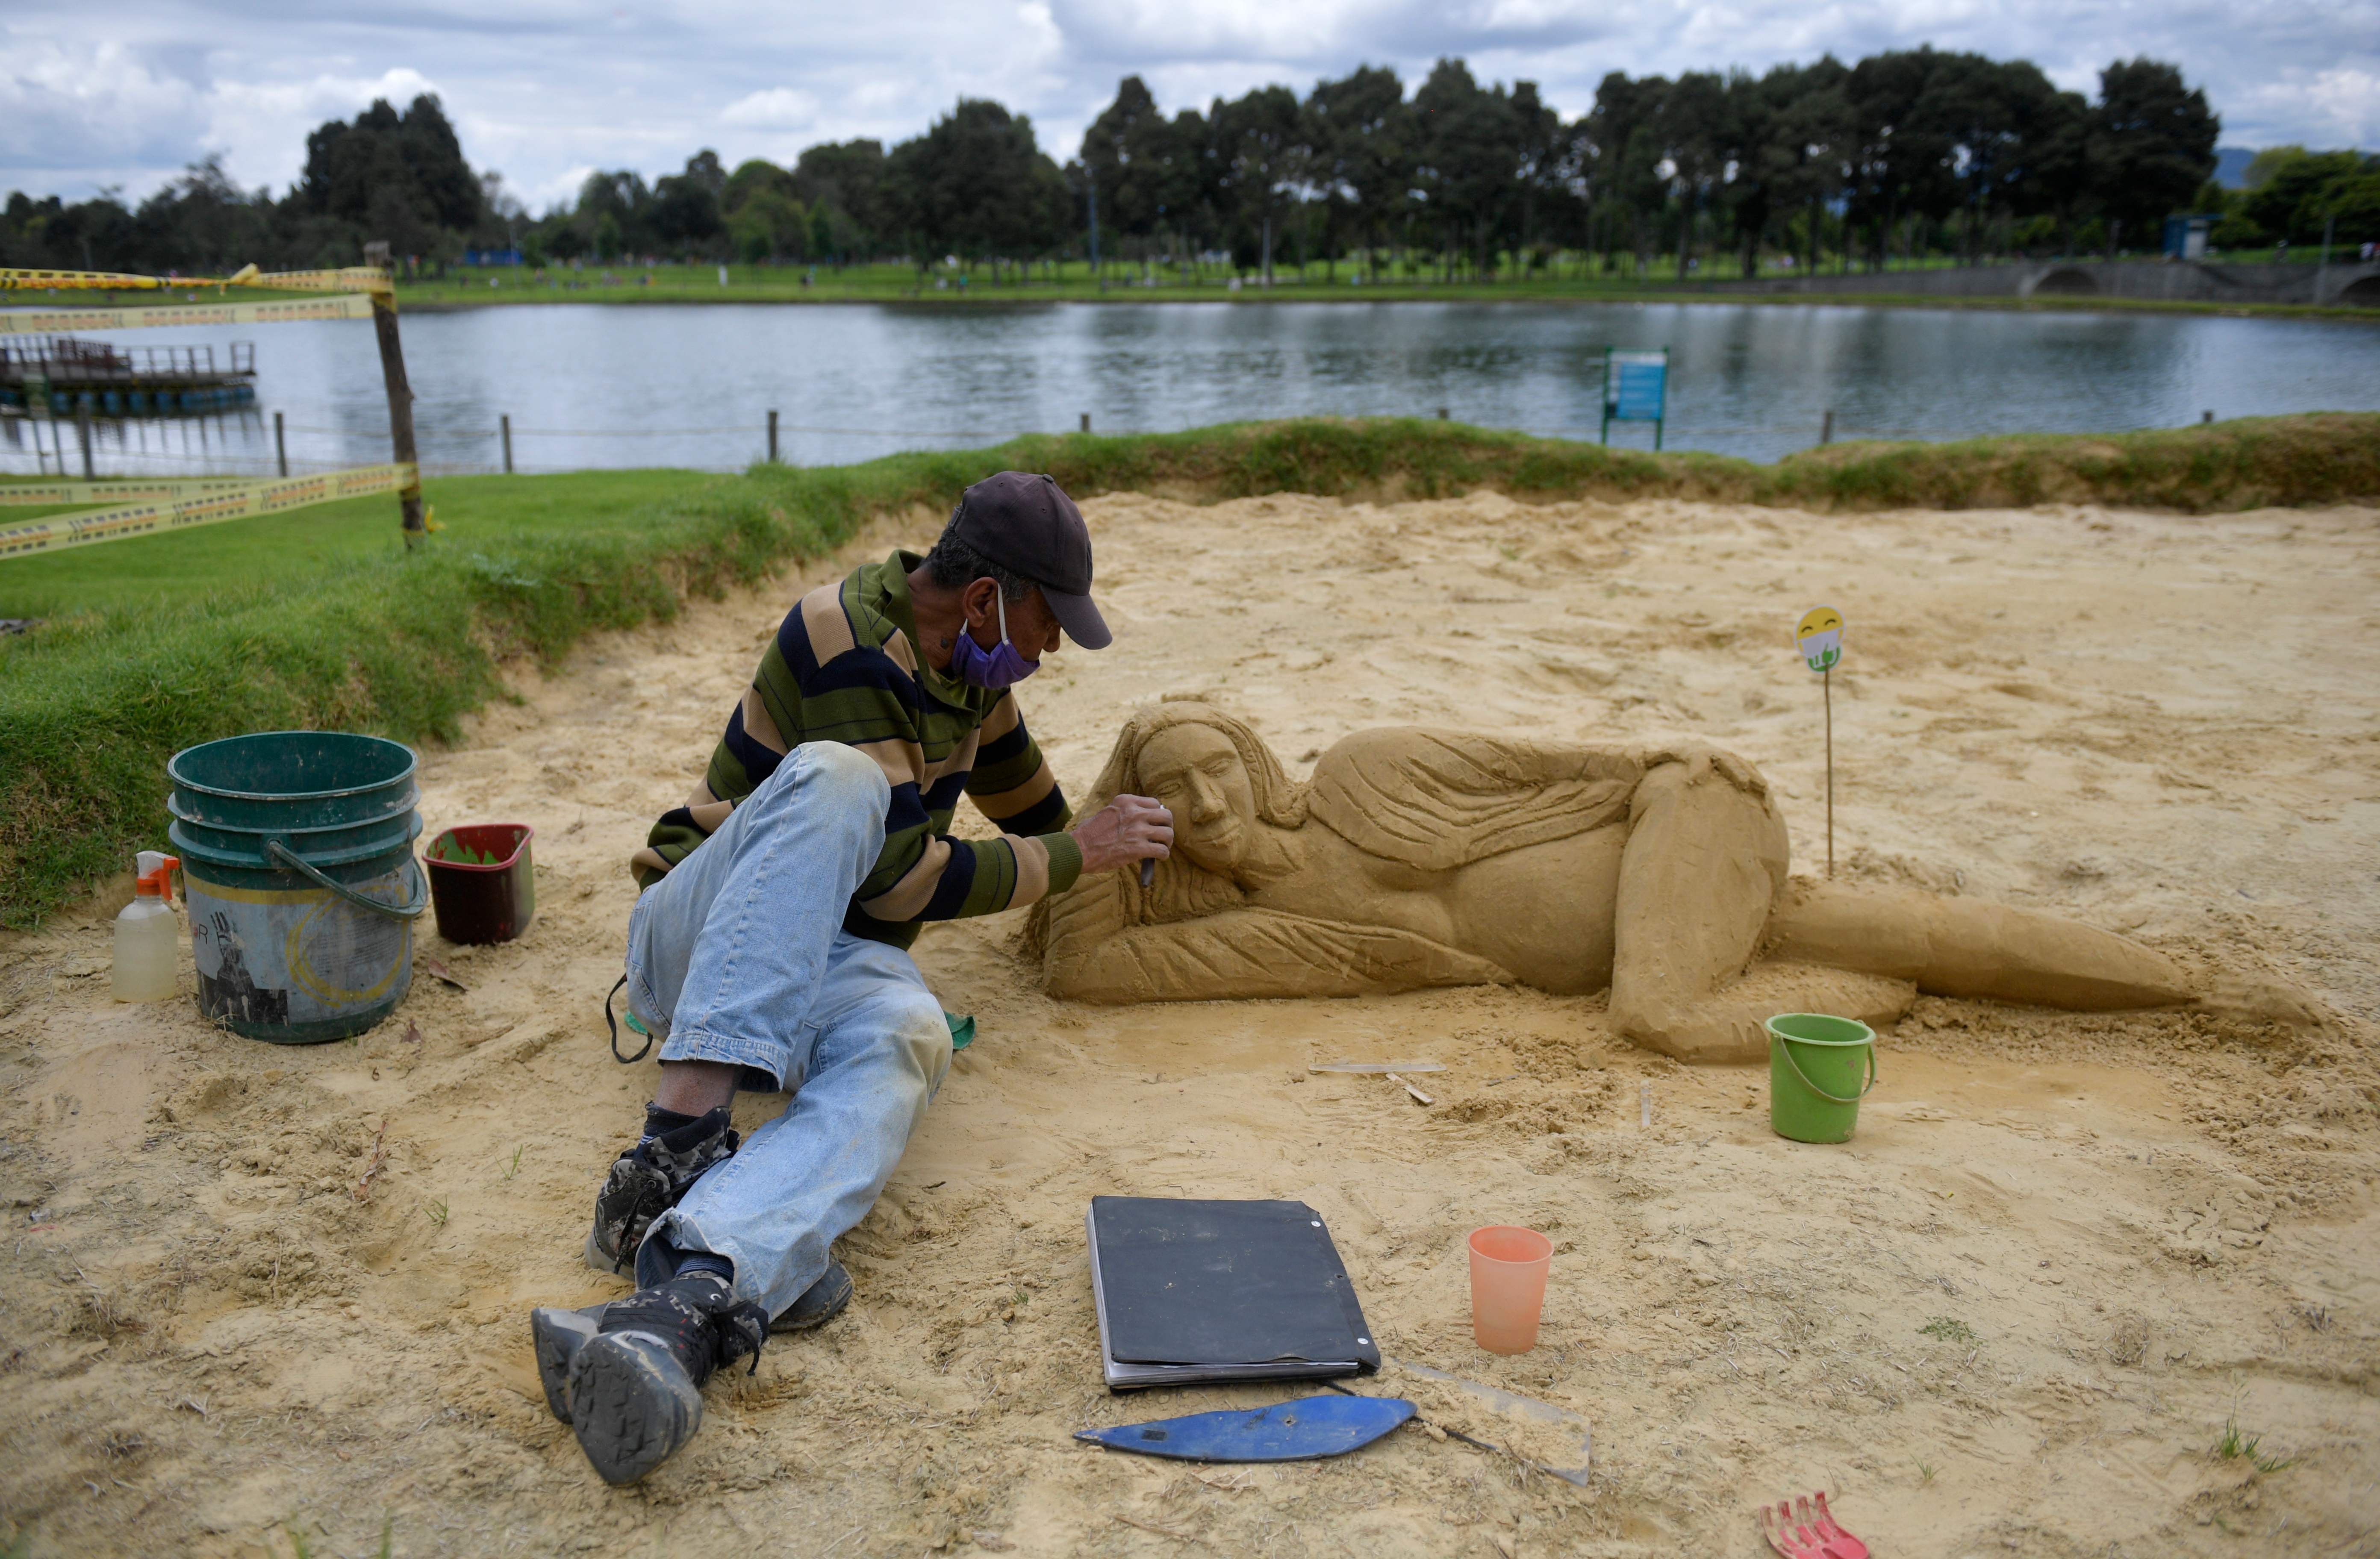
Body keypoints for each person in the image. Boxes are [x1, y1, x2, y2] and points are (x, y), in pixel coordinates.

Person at [529, 473, 1171, 1485]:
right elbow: (906, 876)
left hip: (819, 959)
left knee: (910, 1037)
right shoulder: (847, 638)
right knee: (844, 779)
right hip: (695, 941)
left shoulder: (974, 678)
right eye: (1049, 621)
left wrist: (1124, 840)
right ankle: (674, 1146)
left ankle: (685, 1299)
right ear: (985, 599)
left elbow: (1037, 818)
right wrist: (1079, 856)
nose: (1049, 650)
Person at [1031, 701, 2268, 1059]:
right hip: (1679, 920)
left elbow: (1607, 766)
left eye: (1221, 769)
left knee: (1655, 1016)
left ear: (1258, 759)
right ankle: (2183, 994)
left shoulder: (1370, 771)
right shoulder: (1264, 924)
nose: (1208, 803)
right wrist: (1093, 831)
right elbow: (1086, 968)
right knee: (1913, 937)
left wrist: (1680, 766)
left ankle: (1848, 1006)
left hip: (1685, 824)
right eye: (1174, 791)